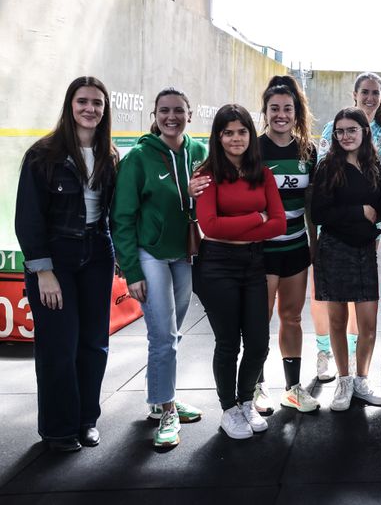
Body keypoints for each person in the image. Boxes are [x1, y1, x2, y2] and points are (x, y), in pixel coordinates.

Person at [15, 76, 117, 452]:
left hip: (97, 254)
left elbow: (113, 213)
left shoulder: (110, 156)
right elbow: (28, 218)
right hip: (55, 258)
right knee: (59, 346)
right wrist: (43, 271)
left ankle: (86, 421)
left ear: (105, 110)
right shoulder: (43, 155)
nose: (90, 109)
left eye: (97, 103)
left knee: (94, 344)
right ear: (70, 106)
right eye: (83, 101)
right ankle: (58, 430)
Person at [112, 88, 206, 447]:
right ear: (154, 114)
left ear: (190, 114)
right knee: (164, 336)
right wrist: (131, 271)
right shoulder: (138, 158)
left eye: (178, 111)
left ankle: (158, 398)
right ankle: (167, 410)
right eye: (164, 111)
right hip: (150, 253)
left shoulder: (199, 153)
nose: (171, 117)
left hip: (183, 254)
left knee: (170, 334)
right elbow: (121, 216)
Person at [194, 104, 286, 440]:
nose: (236, 138)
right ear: (218, 136)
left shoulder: (263, 173)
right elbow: (209, 225)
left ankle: (246, 400)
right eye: (228, 132)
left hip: (252, 264)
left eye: (242, 131)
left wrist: (238, 227)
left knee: (259, 343)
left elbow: (278, 224)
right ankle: (228, 409)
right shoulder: (206, 174)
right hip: (216, 265)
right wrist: (255, 219)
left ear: (251, 133)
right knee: (229, 342)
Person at [311, 107, 381, 411]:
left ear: (364, 132)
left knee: (368, 324)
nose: (345, 135)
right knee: (338, 321)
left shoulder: (375, 167)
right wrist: (357, 212)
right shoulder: (328, 167)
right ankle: (343, 381)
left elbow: (377, 209)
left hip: (364, 251)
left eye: (351, 130)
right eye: (340, 131)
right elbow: (319, 213)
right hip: (334, 249)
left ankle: (361, 380)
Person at [255, 75, 321, 414]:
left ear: (297, 113)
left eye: (288, 109)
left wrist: (312, 238)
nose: (281, 114)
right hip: (262, 252)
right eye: (274, 108)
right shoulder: (253, 149)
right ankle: (255, 385)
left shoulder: (306, 151)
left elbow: (309, 201)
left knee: (292, 318)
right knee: (258, 320)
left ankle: (293, 387)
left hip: (296, 248)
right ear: (265, 112)